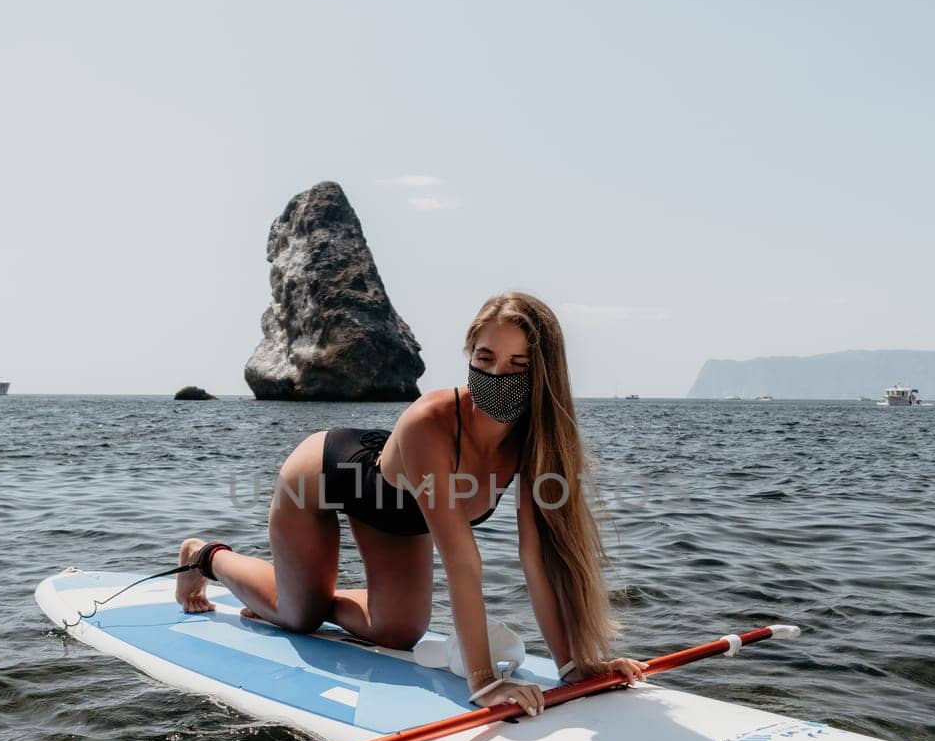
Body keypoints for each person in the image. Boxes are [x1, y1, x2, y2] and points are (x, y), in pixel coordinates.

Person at [175, 292, 643, 715]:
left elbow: (536, 557)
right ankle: (206, 558)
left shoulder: (535, 442)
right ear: (469, 356)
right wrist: (482, 683)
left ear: (543, 372)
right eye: (486, 357)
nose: (499, 375)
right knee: (300, 618)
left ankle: (291, 593)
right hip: (327, 477)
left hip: (399, 513)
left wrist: (573, 665)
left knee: (399, 632)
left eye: (518, 366)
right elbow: (462, 562)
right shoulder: (431, 422)